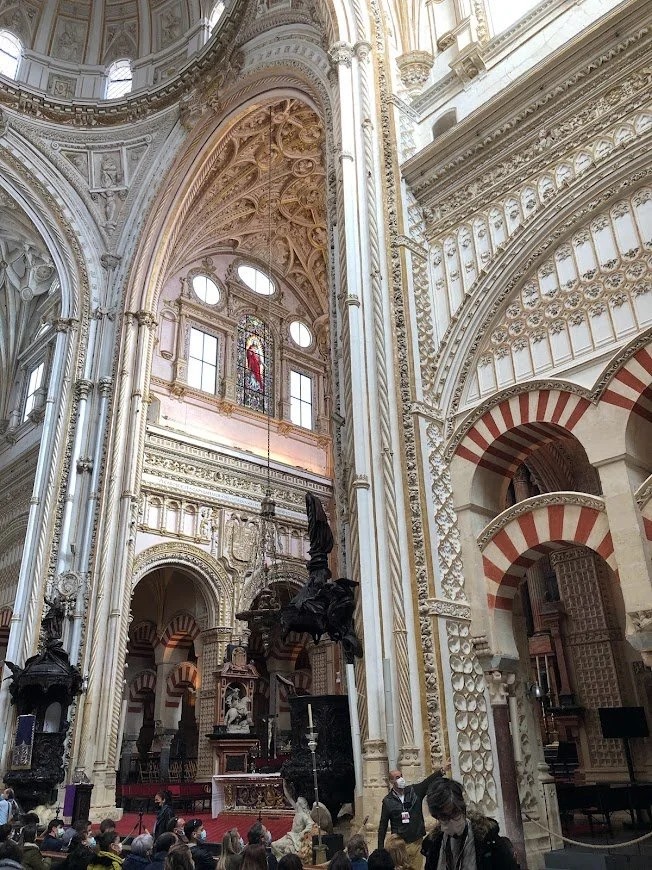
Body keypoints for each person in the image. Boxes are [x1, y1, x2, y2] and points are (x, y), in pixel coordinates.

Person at [421, 778, 520, 870]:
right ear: (437, 817)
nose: (451, 820)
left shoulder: (488, 840)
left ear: (462, 808)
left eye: (455, 813)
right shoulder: (433, 845)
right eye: (444, 817)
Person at [377, 767, 445, 870]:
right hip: (400, 845)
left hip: (416, 841)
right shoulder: (388, 801)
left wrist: (441, 771)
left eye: (401, 776)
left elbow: (427, 783)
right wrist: (380, 849)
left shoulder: (414, 791)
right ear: (391, 781)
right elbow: (383, 825)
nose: (400, 779)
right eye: (397, 777)